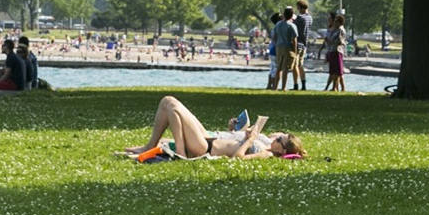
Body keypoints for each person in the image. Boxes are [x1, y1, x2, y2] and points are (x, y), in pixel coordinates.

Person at [120, 96, 305, 159]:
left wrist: (249, 139)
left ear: (281, 150)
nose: (276, 137)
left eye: (280, 140)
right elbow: (281, 137)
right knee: (167, 103)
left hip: (206, 146)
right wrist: (238, 130)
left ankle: (182, 153)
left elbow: (238, 158)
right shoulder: (268, 140)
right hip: (210, 137)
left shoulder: (267, 153)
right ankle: (150, 147)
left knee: (172, 105)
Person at [272, 7, 299, 91]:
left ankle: (275, 87)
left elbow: (274, 36)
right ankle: (283, 87)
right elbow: (294, 40)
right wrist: (295, 51)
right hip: (288, 47)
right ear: (291, 15)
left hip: (279, 47)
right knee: (285, 69)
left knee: (278, 68)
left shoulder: (278, 24)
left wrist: (276, 45)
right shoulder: (292, 26)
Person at [324, 13, 349, 92]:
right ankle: (336, 87)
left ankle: (335, 87)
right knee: (335, 71)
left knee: (337, 71)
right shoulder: (335, 29)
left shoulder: (340, 30)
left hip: (337, 50)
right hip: (333, 50)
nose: (334, 22)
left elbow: (339, 41)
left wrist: (329, 41)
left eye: (336, 21)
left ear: (339, 22)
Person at [293, 0, 314, 91]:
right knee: (301, 65)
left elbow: (293, 26)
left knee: (295, 65)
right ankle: (303, 84)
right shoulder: (310, 18)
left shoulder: (300, 18)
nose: (297, 9)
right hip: (305, 44)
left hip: (298, 44)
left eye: (298, 7)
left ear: (301, 7)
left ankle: (296, 85)